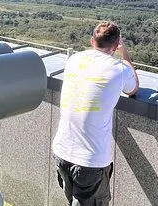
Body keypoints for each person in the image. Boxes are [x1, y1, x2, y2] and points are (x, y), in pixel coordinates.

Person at [51, 21, 139, 206]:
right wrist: (124, 53)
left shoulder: (74, 59)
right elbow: (133, 89)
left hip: (61, 151)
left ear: (92, 41)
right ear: (115, 45)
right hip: (90, 161)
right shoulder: (119, 69)